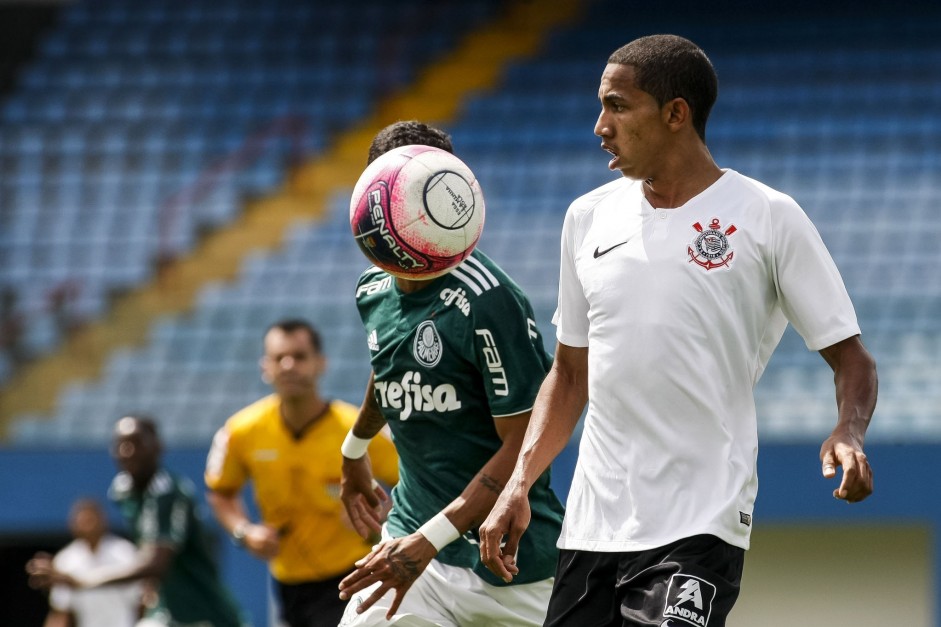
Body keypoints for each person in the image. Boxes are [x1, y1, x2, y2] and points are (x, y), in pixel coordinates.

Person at [478, 34, 878, 627]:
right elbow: (569, 374)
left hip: (701, 519)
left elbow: (852, 359)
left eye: (616, 105)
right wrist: (519, 483)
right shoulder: (586, 217)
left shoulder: (767, 215)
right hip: (594, 523)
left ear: (675, 113)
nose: (599, 126)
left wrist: (849, 430)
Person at [336, 120, 565, 627]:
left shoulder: (490, 300)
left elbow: (526, 436)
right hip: (412, 548)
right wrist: (353, 450)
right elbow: (391, 365)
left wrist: (432, 540)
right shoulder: (373, 289)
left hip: (510, 562)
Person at [204, 318, 399, 627]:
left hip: (353, 575)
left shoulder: (359, 429)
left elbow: (413, 483)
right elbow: (220, 492)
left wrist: (383, 513)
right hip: (287, 583)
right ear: (265, 367)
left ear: (320, 363)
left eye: (299, 356)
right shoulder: (241, 431)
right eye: (279, 358)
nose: (288, 365)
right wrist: (244, 531)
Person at [28, 415, 245, 627]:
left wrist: (82, 580)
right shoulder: (122, 491)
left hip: (203, 612)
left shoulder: (168, 492)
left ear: (157, 447)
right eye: (120, 445)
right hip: (168, 610)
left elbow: (156, 563)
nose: (127, 452)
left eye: (136, 443)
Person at [27, 498, 142, 627]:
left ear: (103, 520)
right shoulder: (66, 561)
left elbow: (142, 603)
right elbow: (61, 612)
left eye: (91, 520)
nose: (87, 526)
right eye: (82, 521)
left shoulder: (125, 554)